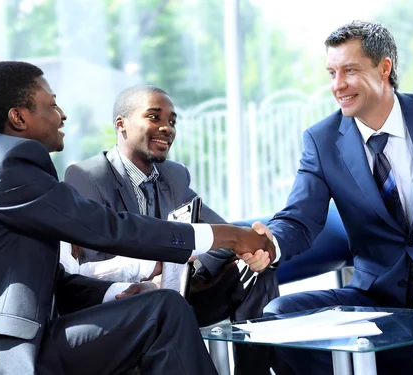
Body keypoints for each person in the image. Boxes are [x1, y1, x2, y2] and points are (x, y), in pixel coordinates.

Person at [245, 20, 413, 375]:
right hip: (372, 295)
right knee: (278, 315)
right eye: (332, 73)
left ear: (384, 68)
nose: (337, 85)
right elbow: (300, 217)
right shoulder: (322, 140)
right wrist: (271, 242)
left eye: (349, 70)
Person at [0, 61, 275, 375]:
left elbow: (55, 282)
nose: (62, 114)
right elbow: (108, 227)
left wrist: (116, 292)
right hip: (13, 356)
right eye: (51, 104)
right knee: (163, 312)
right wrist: (230, 236)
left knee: (160, 305)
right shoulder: (11, 165)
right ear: (18, 117)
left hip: (38, 338)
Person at [64, 85, 279, 374]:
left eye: (172, 121)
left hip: (177, 291)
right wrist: (146, 274)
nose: (167, 128)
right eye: (154, 117)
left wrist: (245, 252)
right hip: (128, 300)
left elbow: (218, 231)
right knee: (163, 305)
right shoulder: (87, 176)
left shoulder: (174, 174)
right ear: (121, 124)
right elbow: (88, 267)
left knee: (256, 272)